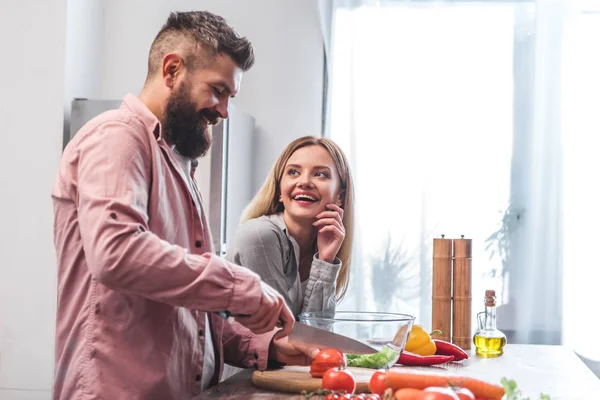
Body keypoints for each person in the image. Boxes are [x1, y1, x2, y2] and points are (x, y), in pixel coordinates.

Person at [51, 11, 316, 400]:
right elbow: (116, 254)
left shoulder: (176, 164)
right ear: (172, 69)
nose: (224, 110)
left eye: (230, 96)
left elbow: (189, 315)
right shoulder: (118, 138)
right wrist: (240, 286)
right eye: (217, 90)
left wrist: (267, 346)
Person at [225, 136, 354, 316]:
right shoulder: (259, 235)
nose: (304, 182)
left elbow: (317, 333)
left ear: (340, 195)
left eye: (320, 174)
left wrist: (325, 261)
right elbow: (280, 331)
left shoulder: (321, 248)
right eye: (293, 172)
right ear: (279, 190)